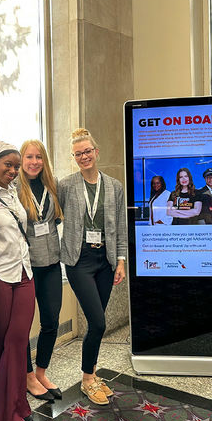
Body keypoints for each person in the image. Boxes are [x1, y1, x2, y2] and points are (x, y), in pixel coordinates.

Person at [58, 128, 126, 406]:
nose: (84, 156)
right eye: (78, 153)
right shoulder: (66, 186)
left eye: (88, 151)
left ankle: (92, 374)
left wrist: (120, 260)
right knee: (98, 322)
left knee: (97, 325)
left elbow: (121, 226)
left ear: (96, 153)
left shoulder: (114, 186)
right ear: (74, 157)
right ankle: (88, 379)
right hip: (79, 261)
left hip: (106, 261)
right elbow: (50, 215)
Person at [0, 140, 35, 421]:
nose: (14, 171)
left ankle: (18, 403)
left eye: (17, 166)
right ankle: (4, 418)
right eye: (8, 165)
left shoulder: (14, 193)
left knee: (18, 340)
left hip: (24, 272)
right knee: (1, 345)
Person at [16, 140, 64, 402]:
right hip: (25, 267)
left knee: (51, 321)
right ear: (21, 160)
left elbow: (57, 219)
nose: (34, 162)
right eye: (29, 157)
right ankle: (27, 376)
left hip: (52, 263)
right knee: (23, 325)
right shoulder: (14, 189)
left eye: (38, 157)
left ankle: (41, 371)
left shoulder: (52, 186)